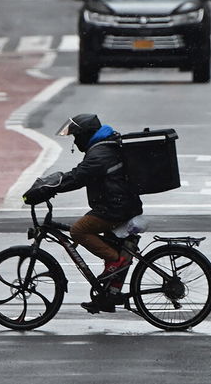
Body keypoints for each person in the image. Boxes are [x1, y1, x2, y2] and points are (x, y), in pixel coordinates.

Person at [22, 113, 143, 313]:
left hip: (116, 208)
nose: (76, 141)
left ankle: (116, 262)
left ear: (86, 135)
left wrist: (51, 187)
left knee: (79, 230)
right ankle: (109, 294)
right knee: (109, 244)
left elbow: (78, 177)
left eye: (77, 136)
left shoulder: (100, 153)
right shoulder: (105, 145)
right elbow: (80, 174)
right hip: (120, 205)